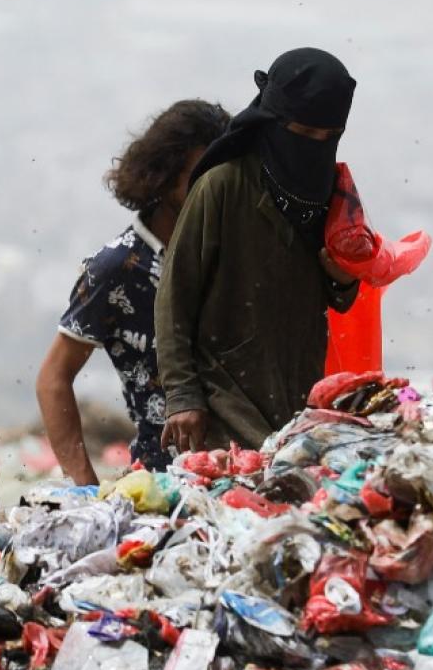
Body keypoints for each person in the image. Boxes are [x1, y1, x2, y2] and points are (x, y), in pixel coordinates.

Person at [157, 48, 361, 453]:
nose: (314, 147)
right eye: (302, 133)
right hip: (223, 406)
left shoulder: (330, 194)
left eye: (327, 137)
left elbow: (338, 295)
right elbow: (174, 296)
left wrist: (342, 279)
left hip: (298, 407)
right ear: (273, 121)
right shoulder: (222, 187)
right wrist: (182, 396)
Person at [36, 99, 232, 485]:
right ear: (163, 175)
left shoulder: (229, 250)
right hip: (164, 482)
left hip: (242, 469)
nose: (210, 187)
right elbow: (53, 378)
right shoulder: (118, 268)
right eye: (198, 174)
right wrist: (85, 485)